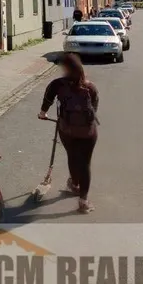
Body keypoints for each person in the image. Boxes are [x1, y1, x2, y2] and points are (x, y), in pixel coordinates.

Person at [39, 52, 98, 213]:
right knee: (85, 163)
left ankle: (74, 184)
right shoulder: (90, 87)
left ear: (65, 68)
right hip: (88, 132)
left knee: (72, 156)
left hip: (67, 130)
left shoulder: (57, 84)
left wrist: (43, 114)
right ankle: (83, 201)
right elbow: (94, 108)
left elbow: (47, 99)